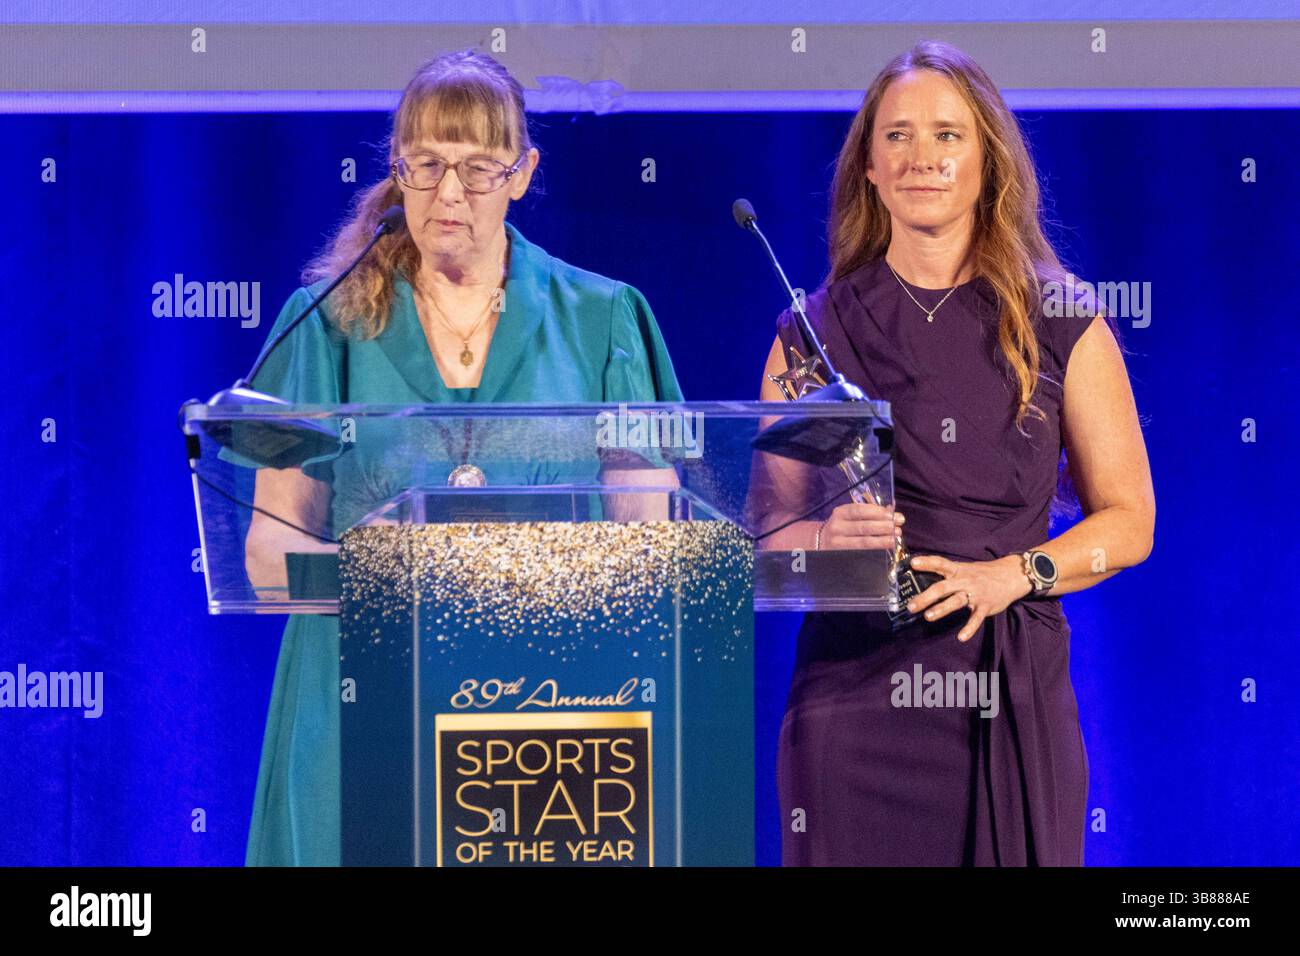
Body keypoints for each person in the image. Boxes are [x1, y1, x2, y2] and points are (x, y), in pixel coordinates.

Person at [235, 49, 682, 866]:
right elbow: (269, 554)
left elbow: (647, 551)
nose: (449, 193)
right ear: (396, 167)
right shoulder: (323, 323)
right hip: (358, 700)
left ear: (523, 173)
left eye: (479, 169)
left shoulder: (603, 317)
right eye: (428, 164)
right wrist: (391, 591)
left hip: (543, 704)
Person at [755, 40, 1154, 865]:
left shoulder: (1061, 317)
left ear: (987, 158)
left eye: (948, 135)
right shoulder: (812, 333)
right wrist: (826, 547)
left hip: (1008, 696)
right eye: (897, 136)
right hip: (852, 703)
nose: (922, 158)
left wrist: (1015, 573)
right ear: (868, 164)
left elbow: (1131, 520)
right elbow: (767, 542)